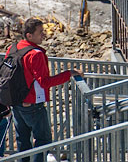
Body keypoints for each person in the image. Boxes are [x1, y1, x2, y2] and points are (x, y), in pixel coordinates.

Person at [6, 18, 84, 162]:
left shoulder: (14, 48)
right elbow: (44, 82)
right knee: (43, 140)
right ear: (29, 35)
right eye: (40, 32)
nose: (44, 34)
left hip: (16, 102)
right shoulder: (35, 54)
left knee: (22, 140)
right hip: (33, 104)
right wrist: (69, 73)